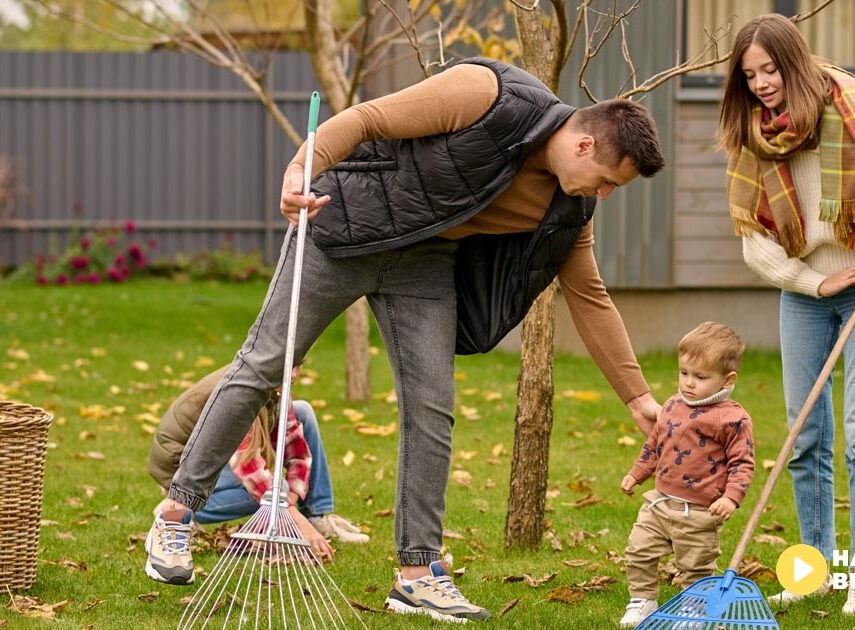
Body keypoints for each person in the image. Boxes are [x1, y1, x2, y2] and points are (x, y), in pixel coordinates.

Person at [147, 56, 668, 622]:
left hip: (424, 262)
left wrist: (638, 397)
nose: (604, 195)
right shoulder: (488, 94)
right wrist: (300, 169)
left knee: (431, 407)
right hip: (344, 231)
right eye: (608, 181)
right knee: (265, 364)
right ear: (585, 145)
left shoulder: (571, 208)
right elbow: (367, 119)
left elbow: (590, 296)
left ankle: (417, 575)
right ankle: (175, 515)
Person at [719, 14, 855, 618]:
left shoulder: (852, 112)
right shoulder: (753, 138)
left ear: (794, 63)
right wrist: (812, 281)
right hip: (806, 295)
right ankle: (813, 574)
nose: (761, 84)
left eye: (770, 69)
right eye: (749, 75)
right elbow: (755, 241)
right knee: (804, 437)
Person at [144, 366, 368, 585]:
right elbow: (249, 468)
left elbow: (297, 451)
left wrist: (293, 507)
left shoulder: (271, 382)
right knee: (276, 490)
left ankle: (316, 517)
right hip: (182, 465)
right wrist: (292, 516)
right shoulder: (239, 392)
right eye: (290, 367)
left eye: (298, 365)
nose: (295, 374)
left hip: (219, 457)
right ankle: (177, 507)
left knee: (303, 411)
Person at [617, 322, 755, 627]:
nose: (689, 383)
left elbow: (742, 463)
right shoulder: (671, 405)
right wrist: (637, 473)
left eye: (701, 377)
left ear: (727, 380)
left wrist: (731, 498)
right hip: (659, 502)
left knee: (696, 566)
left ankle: (694, 607)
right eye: (684, 373)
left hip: (699, 512)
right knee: (638, 550)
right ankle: (643, 600)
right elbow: (655, 443)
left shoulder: (732, 419)